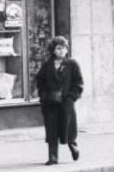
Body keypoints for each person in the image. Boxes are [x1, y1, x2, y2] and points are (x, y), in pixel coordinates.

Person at [35, 36, 84, 165]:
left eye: (64, 48)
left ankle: (72, 145)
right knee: (51, 129)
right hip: (50, 103)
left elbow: (78, 83)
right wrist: (44, 94)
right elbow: (40, 80)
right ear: (53, 50)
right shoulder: (47, 65)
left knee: (68, 127)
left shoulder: (72, 64)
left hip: (66, 102)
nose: (61, 51)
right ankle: (53, 157)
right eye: (58, 48)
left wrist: (71, 97)